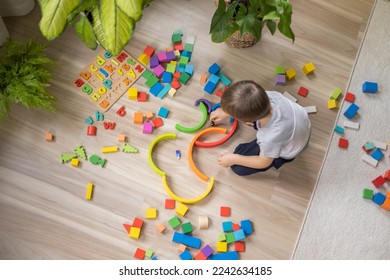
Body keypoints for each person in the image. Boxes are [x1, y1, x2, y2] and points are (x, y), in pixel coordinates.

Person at [210, 80, 311, 176]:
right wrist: (226, 111)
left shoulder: (268, 138)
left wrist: (234, 159)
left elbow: (263, 163)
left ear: (248, 122)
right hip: (301, 125)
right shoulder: (270, 95)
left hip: (291, 150)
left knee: (238, 167)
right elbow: (245, 101)